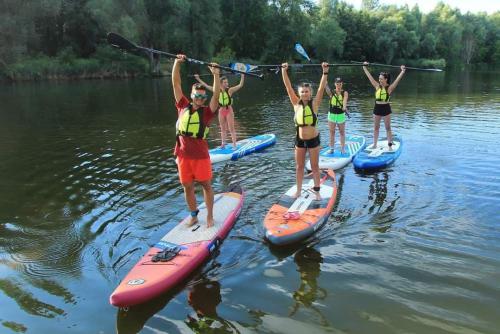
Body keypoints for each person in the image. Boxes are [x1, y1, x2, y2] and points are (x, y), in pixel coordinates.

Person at [172, 55, 220, 228]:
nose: (200, 99)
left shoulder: (207, 112)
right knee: (187, 186)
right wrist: (177, 63)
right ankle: (193, 215)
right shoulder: (182, 105)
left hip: (200, 155)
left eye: (202, 97)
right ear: (192, 96)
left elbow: (217, 95)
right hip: (183, 155)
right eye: (197, 96)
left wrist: (215, 75)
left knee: (206, 185)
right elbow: (176, 84)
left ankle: (209, 216)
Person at [281, 62, 329, 199]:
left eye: (307, 91)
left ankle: (317, 191)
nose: (304, 93)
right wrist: (284, 71)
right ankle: (298, 190)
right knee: (299, 167)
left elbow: (321, 89)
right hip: (299, 140)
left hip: (313, 140)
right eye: (302, 91)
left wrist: (325, 72)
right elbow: (288, 87)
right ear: (299, 93)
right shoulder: (296, 104)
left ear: (310, 93)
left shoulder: (315, 104)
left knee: (314, 166)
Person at [194, 73, 245, 149]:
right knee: (222, 128)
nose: (227, 84)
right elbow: (206, 85)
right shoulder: (216, 90)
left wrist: (242, 76)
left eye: (227, 82)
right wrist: (198, 79)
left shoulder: (230, 90)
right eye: (225, 82)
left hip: (229, 110)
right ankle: (223, 144)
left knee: (231, 128)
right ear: (220, 84)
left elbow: (240, 85)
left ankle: (234, 144)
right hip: (221, 110)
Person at [362, 62, 406, 148]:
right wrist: (364, 67)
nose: (379, 80)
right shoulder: (377, 86)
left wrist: (402, 71)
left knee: (388, 128)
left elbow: (397, 80)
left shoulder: (389, 88)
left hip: (386, 108)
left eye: (381, 79)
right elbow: (369, 77)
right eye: (379, 79)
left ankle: (390, 144)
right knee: (376, 128)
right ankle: (375, 144)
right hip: (377, 108)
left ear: (386, 79)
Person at [325, 77, 349, 154]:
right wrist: (325, 82)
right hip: (331, 114)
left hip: (340, 114)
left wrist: (344, 107)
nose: (338, 86)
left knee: (342, 132)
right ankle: (331, 149)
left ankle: (342, 149)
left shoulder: (345, 93)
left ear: (342, 84)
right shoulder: (332, 92)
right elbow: (326, 88)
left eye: (340, 84)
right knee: (332, 132)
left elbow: (345, 101)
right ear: (335, 84)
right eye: (337, 84)